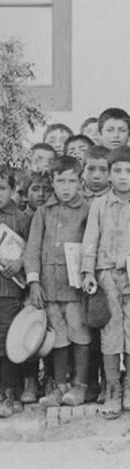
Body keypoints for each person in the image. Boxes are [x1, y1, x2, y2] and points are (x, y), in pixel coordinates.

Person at [80, 146, 130, 418]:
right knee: (110, 330)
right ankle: (112, 388)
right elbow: (90, 240)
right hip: (106, 274)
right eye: (117, 171)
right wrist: (88, 272)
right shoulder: (99, 205)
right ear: (109, 175)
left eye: (129, 171)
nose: (123, 176)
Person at [24, 156, 92, 408]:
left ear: (80, 182)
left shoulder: (87, 209)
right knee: (58, 337)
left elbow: (92, 245)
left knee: (79, 334)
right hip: (49, 287)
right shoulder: (43, 212)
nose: (65, 187)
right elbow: (32, 249)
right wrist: (34, 281)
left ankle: (80, 385)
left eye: (71, 181)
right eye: (60, 181)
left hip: (75, 287)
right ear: (52, 182)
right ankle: (59, 386)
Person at [0, 166, 30, 418]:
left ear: (12, 190)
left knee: (7, 340)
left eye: (1, 188)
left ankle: (9, 392)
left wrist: (20, 263)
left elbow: (32, 250)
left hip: (10, 290)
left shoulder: (21, 218)